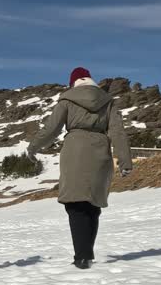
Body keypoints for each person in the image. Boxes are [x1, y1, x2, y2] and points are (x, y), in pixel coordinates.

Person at [28, 67, 133, 269]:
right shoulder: (108, 102)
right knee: (92, 204)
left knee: (75, 204)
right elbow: (118, 131)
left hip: (75, 151)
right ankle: (87, 254)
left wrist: (33, 147)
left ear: (73, 83)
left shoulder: (67, 100)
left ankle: (81, 258)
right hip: (101, 153)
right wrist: (125, 161)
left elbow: (51, 129)